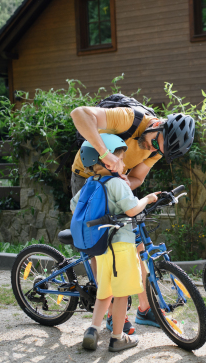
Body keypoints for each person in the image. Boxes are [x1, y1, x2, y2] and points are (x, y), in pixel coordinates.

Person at [70, 106, 195, 329]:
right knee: (100, 247)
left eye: (159, 151)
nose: (153, 149)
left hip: (116, 183)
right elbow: (79, 114)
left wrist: (127, 184)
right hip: (87, 180)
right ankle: (110, 315)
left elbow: (137, 177)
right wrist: (105, 154)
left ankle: (146, 309)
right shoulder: (130, 119)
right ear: (157, 125)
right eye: (155, 143)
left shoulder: (156, 149)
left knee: (135, 246)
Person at [72, 134, 161, 352]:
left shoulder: (89, 184)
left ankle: (93, 328)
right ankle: (117, 337)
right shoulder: (116, 184)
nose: (123, 163)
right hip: (121, 244)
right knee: (122, 293)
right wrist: (147, 199)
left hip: (101, 246)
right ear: (106, 161)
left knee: (105, 290)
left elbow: (75, 208)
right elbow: (131, 209)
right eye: (120, 159)